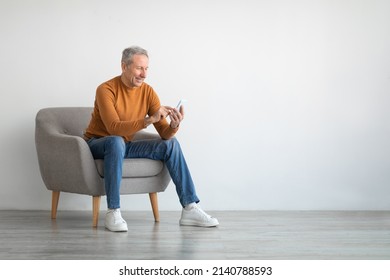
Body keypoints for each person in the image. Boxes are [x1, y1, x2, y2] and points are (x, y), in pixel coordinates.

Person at [83, 46, 219, 232]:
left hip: (124, 144)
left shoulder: (147, 92)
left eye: (146, 69)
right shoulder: (106, 89)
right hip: (98, 143)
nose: (144, 74)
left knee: (170, 144)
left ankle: (190, 207)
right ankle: (113, 211)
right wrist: (149, 120)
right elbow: (113, 128)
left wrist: (173, 125)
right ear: (124, 66)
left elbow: (164, 134)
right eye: (139, 68)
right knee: (115, 141)